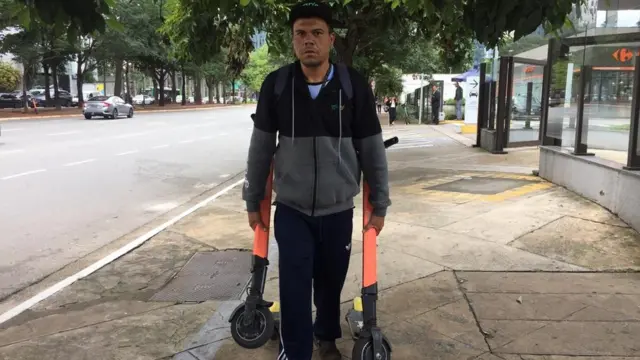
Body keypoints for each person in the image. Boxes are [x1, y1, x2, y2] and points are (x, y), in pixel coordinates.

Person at [241, 2, 391, 360]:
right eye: (301, 34)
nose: (309, 41)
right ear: (293, 40)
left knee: (329, 283)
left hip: (338, 210)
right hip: (291, 210)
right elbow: (260, 149)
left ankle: (326, 338)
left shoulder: (351, 85)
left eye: (317, 33)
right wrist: (253, 199)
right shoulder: (276, 85)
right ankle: (295, 351)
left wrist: (380, 203)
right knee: (294, 285)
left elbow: (372, 149)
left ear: (331, 39)